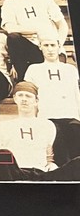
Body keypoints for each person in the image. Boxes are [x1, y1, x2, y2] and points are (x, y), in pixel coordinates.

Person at [0, 0, 68, 79]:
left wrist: (59, 44)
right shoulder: (9, 4)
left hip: (49, 45)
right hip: (29, 48)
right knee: (13, 38)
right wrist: (37, 29)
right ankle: (23, 80)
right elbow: (11, 29)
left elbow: (62, 24)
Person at [24, 36, 80, 164]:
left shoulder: (70, 69)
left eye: (53, 45)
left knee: (75, 135)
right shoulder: (34, 69)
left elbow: (76, 94)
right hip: (47, 117)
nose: (50, 49)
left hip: (70, 116)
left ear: (59, 47)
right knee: (57, 141)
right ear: (40, 47)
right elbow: (30, 96)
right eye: (46, 45)